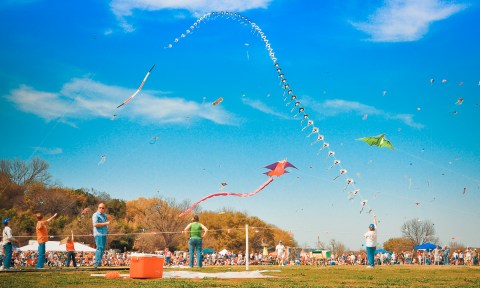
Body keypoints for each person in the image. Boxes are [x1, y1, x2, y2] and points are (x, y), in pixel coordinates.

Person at [92, 203, 110, 268]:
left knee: (102, 249)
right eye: (100, 207)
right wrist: (105, 223)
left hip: (104, 234)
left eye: (103, 208)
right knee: (99, 248)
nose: (101, 209)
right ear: (98, 207)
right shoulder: (95, 215)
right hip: (98, 234)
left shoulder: (104, 215)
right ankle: (96, 263)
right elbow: (95, 224)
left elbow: (108, 222)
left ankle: (99, 263)